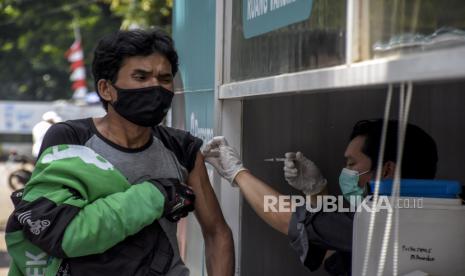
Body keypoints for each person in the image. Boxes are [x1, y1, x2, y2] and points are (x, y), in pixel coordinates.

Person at [6, 29, 234, 276]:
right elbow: (56, 229)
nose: (155, 86)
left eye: (164, 78)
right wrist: (155, 195)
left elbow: (216, 232)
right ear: (106, 89)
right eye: (141, 77)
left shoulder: (182, 148)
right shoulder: (71, 140)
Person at [202, 119, 438, 275]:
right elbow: (331, 249)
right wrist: (316, 192)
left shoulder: (378, 220)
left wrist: (238, 173)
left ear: (387, 170)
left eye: (352, 163)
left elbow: (289, 219)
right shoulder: (434, 211)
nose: (345, 172)